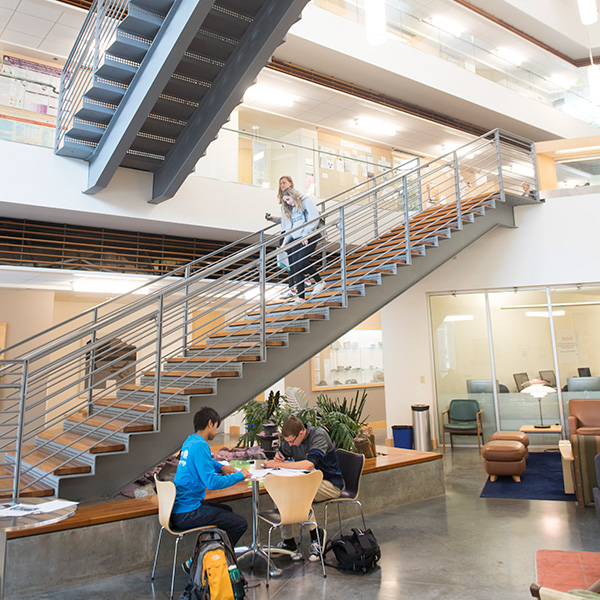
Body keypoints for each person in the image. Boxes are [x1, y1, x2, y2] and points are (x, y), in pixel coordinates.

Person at [171, 407, 250, 572]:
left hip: (179, 509)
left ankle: (205, 558)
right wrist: (240, 475)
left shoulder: (190, 441)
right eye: (216, 426)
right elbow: (212, 483)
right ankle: (205, 561)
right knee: (239, 524)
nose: (216, 431)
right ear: (210, 423)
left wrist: (221, 467)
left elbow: (205, 462)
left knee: (226, 510)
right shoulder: (201, 445)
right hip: (188, 513)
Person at [263, 416, 343, 561]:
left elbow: (309, 465)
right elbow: (281, 454)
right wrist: (279, 457)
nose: (291, 445)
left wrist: (279, 465)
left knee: (301, 494)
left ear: (301, 433)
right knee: (281, 492)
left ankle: (317, 537)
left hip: (330, 483)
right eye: (287, 442)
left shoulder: (318, 435)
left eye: (292, 441)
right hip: (307, 482)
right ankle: (289, 541)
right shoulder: (291, 440)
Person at [280, 188, 325, 303]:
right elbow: (291, 228)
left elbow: (313, 218)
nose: (288, 203)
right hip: (296, 239)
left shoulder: (306, 201)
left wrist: (306, 234)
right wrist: (284, 244)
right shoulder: (293, 209)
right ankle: (301, 297)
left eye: (288, 199)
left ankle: (320, 282)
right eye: (286, 202)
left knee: (302, 262)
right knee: (295, 267)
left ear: (293, 195)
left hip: (308, 236)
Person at [266, 175, 297, 299]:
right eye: (280, 183)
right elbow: (285, 220)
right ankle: (294, 286)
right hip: (284, 232)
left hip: (291, 233)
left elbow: (294, 218)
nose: (282, 185)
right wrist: (273, 219)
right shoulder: (284, 202)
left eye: (284, 183)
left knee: (293, 260)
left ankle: (298, 283)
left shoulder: (294, 200)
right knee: (288, 261)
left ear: (290, 183)